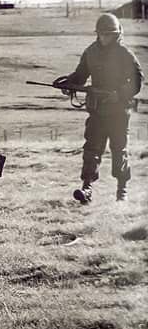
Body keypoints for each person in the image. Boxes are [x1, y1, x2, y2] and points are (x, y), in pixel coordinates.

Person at [53, 13, 144, 204]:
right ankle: (87, 189)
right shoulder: (91, 52)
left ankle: (122, 191)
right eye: (102, 34)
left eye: (109, 34)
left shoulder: (125, 54)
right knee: (91, 150)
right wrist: (68, 84)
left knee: (119, 150)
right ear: (97, 34)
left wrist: (118, 94)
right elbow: (80, 76)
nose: (105, 38)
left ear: (117, 34)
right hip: (96, 111)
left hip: (119, 112)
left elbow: (137, 80)